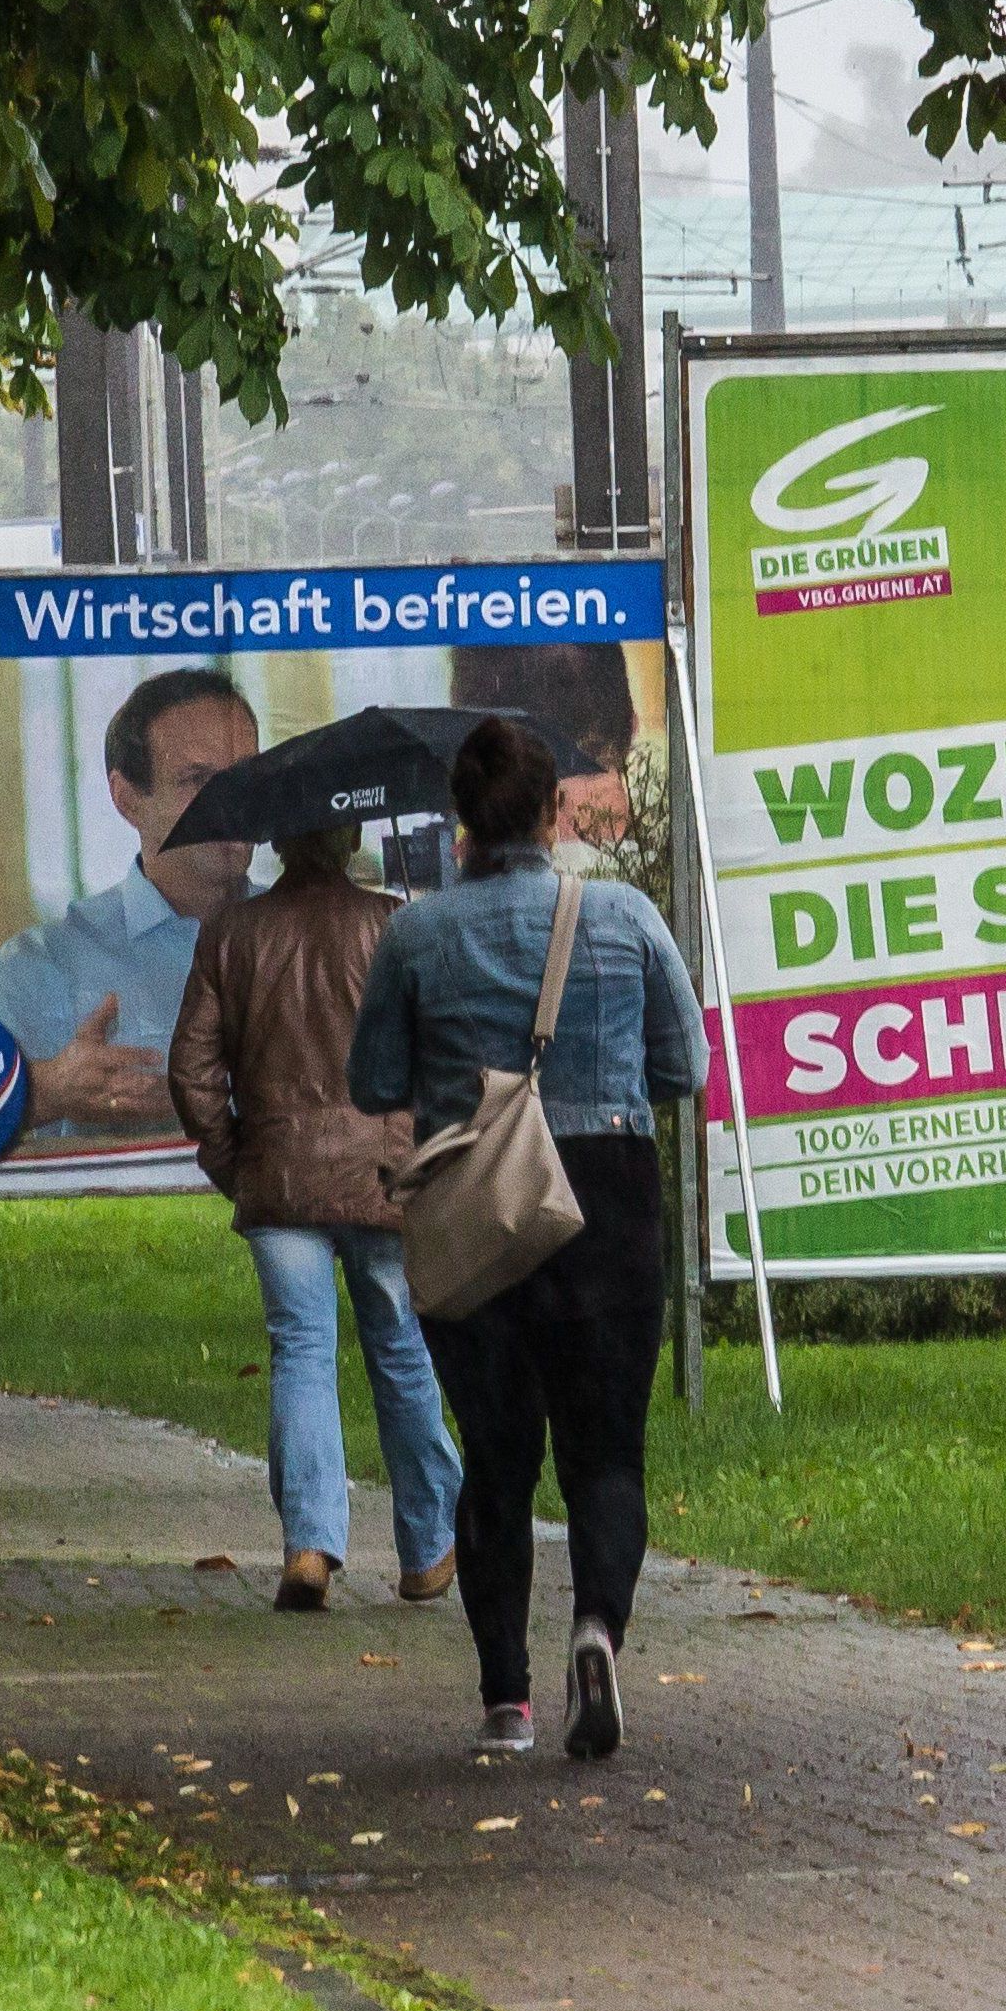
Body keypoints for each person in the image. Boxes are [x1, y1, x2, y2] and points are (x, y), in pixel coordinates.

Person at [347, 718, 704, 1759]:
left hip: (474, 1198)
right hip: (609, 1196)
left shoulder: (415, 936)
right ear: (554, 814)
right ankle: (596, 1629)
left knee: (497, 1458)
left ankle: (504, 1701)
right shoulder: (625, 916)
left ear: (461, 820)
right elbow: (684, 1070)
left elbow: (371, 1084)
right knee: (605, 1456)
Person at [169, 822, 463, 1614]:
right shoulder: (393, 923)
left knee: (301, 1351)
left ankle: (309, 1545)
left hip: (277, 1178)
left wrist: (236, 1162)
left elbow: (192, 1071)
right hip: (384, 1179)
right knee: (399, 1350)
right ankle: (429, 1545)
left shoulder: (231, 932)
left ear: (275, 841)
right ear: (351, 834)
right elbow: (440, 1055)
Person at [0, 669, 261, 1134]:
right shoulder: (34, 972)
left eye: (245, 774)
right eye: (196, 779)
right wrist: (46, 1091)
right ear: (128, 800)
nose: (232, 801)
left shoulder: (326, 940)